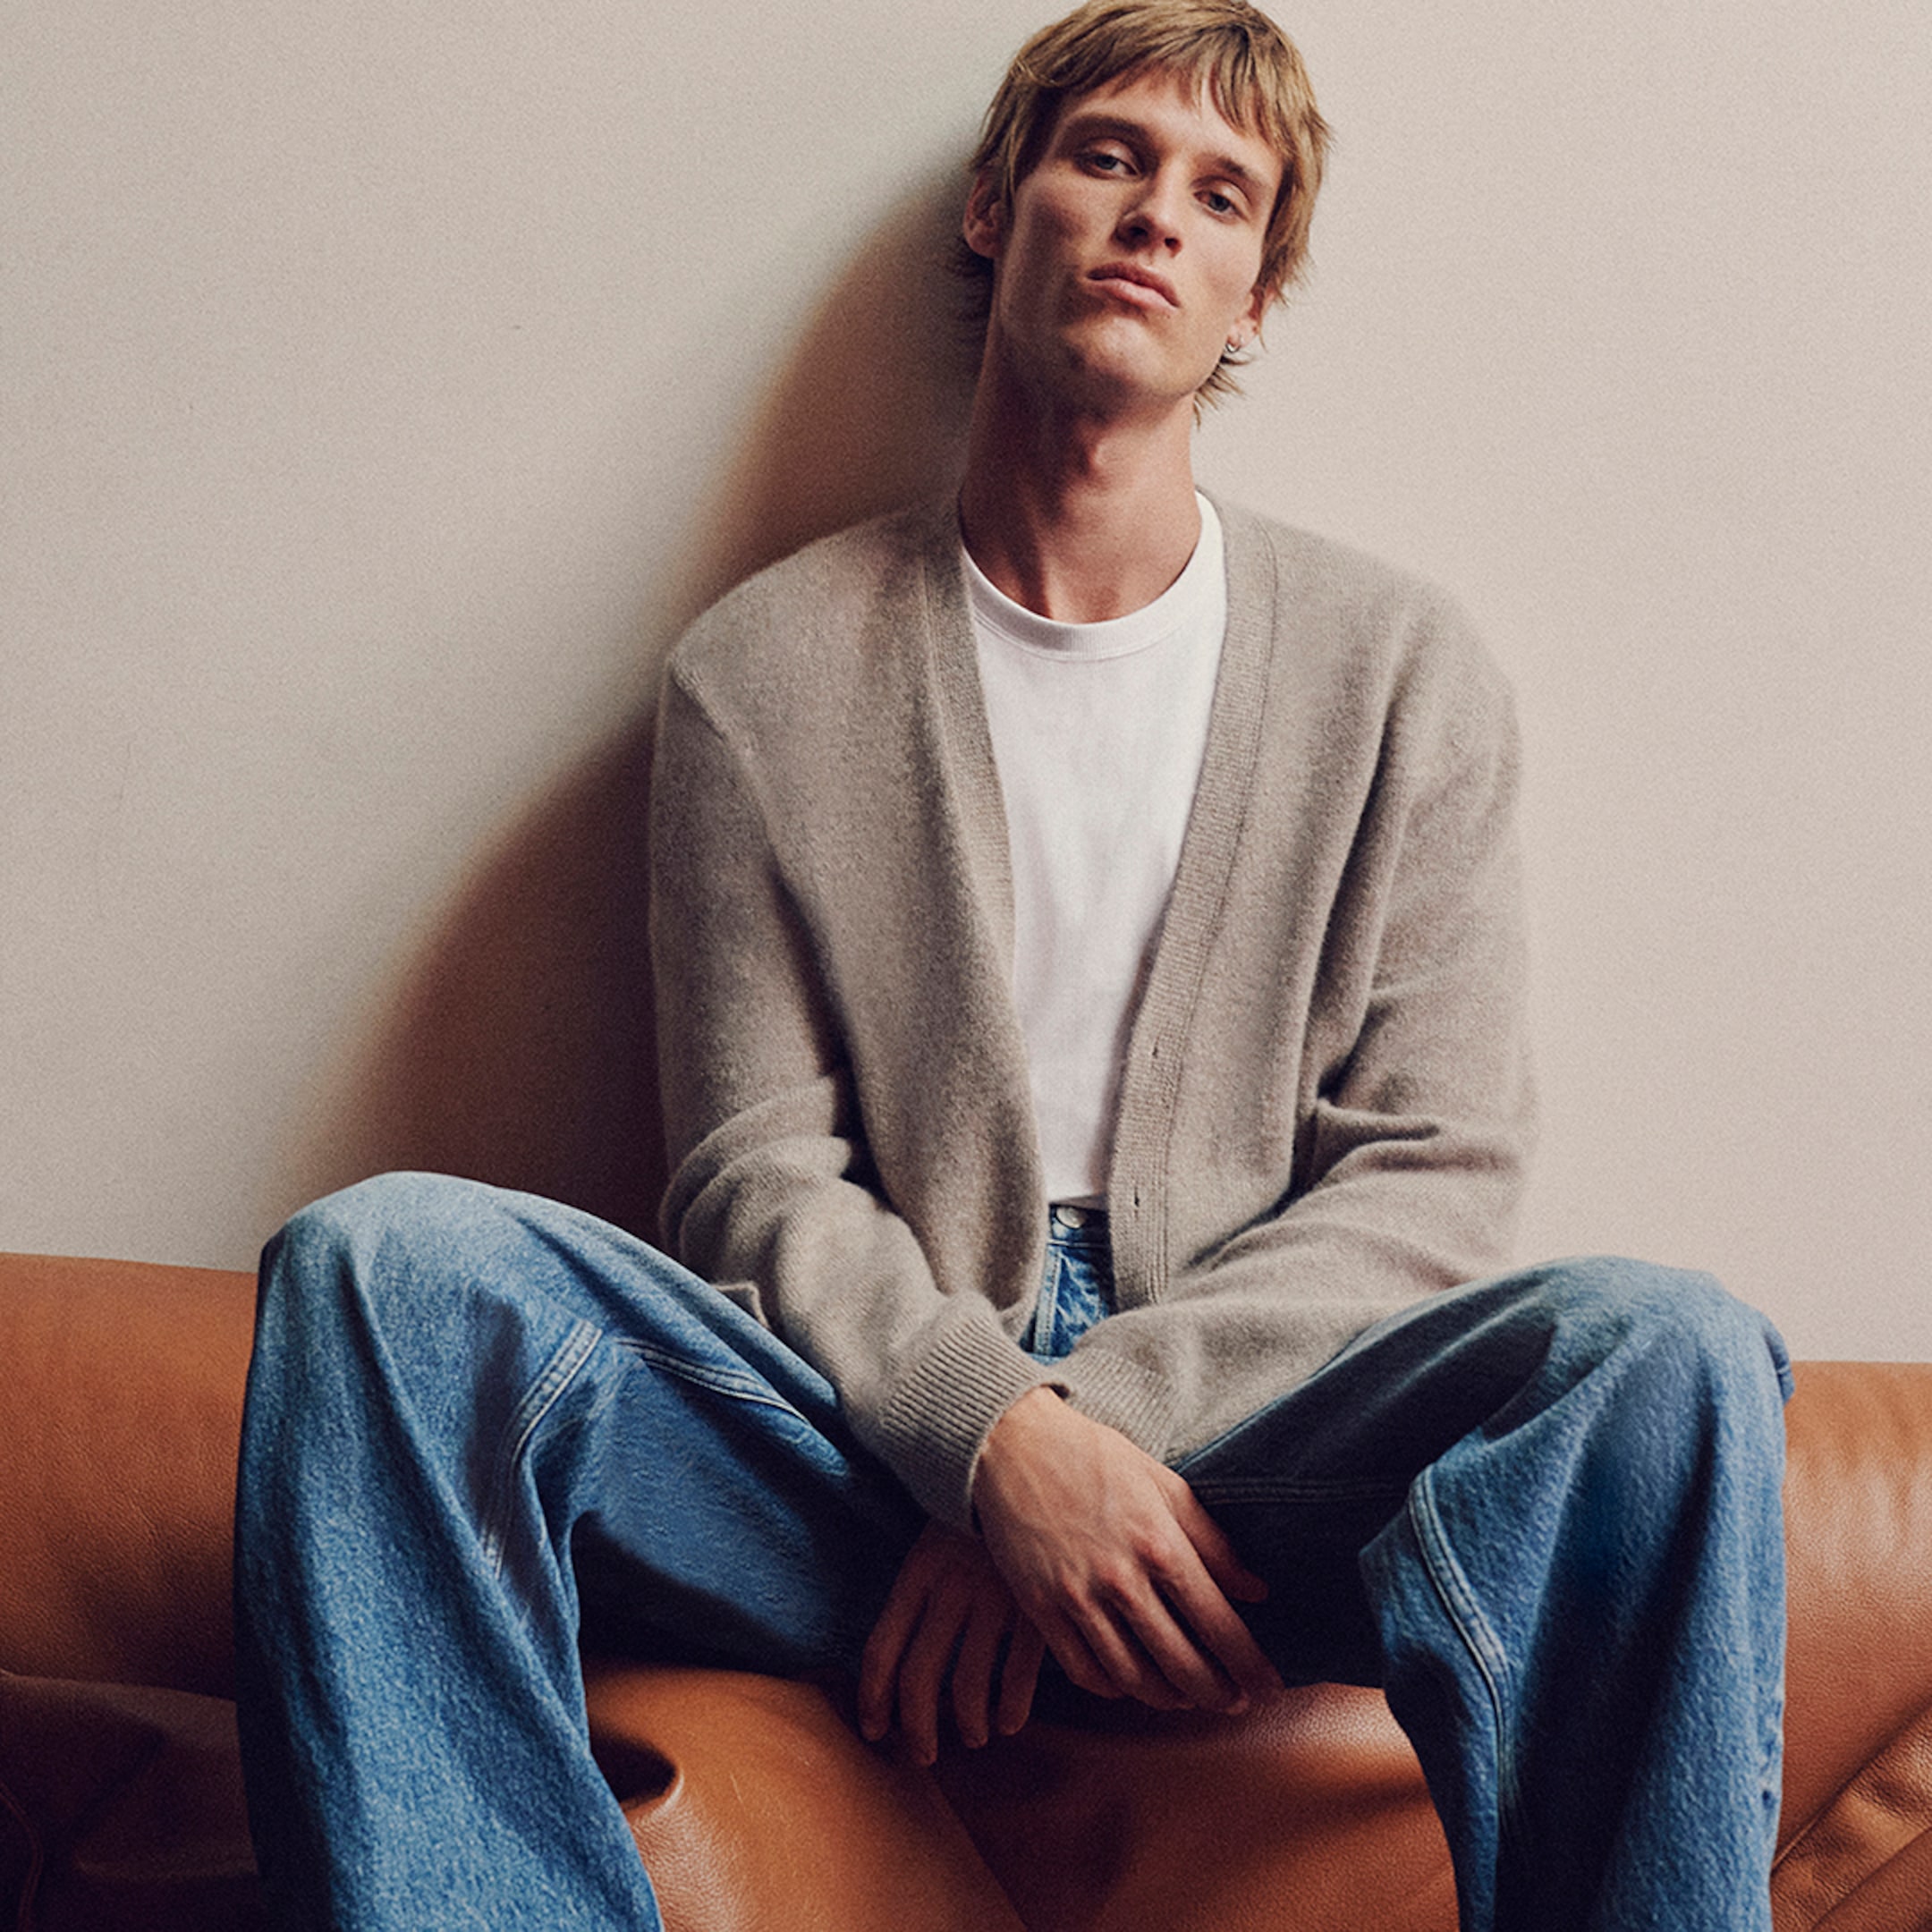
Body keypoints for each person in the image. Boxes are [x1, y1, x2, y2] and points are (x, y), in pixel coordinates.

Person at [232, 4, 1793, 1928]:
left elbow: (1433, 1169)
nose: (1154, 217)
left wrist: (1087, 1435)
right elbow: (752, 1175)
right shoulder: (761, 672)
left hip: (1258, 1472)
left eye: (1221, 195)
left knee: (1669, 1351)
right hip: (844, 1448)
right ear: (998, 205)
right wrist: (980, 1438)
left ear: (1256, 297)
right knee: (380, 1268)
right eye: (1108, 156)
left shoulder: (1402, 676)